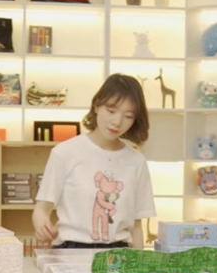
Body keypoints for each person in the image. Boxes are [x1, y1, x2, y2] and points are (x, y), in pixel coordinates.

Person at [32, 73, 156, 249]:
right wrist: (43, 227)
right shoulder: (64, 152)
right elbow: (42, 209)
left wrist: (139, 263)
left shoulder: (137, 161)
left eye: (128, 116)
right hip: (70, 251)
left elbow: (136, 225)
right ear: (97, 105)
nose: (117, 122)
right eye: (111, 111)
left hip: (119, 254)